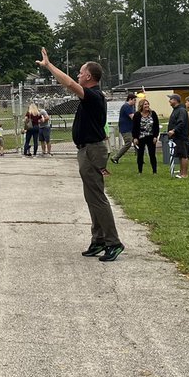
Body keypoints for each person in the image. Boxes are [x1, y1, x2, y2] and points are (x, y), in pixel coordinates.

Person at [37, 49, 124, 261]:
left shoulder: (93, 95)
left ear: (88, 76)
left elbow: (68, 83)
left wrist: (49, 66)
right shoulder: (91, 97)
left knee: (97, 197)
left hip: (92, 150)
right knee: (91, 197)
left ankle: (113, 242)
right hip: (87, 150)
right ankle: (99, 240)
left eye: (81, 72)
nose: (77, 74)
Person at [164, 93, 189, 179]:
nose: (169, 101)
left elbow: (181, 122)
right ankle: (181, 172)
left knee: (184, 155)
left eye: (171, 99)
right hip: (177, 137)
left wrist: (174, 130)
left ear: (175, 100)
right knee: (180, 154)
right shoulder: (176, 110)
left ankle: (184, 174)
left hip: (181, 136)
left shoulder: (181, 110)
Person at [133, 98, 160, 174]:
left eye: (148, 104)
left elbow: (156, 126)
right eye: (145, 104)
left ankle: (154, 171)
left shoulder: (153, 113)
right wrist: (135, 137)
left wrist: (155, 136)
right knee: (140, 154)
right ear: (141, 106)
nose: (147, 105)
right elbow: (134, 127)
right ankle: (140, 171)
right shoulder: (137, 115)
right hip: (140, 137)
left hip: (151, 136)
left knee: (152, 154)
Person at [112, 93, 138, 163]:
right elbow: (133, 117)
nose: (135, 102)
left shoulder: (131, 107)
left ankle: (140, 158)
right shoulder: (126, 106)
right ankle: (115, 157)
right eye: (134, 100)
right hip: (126, 129)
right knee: (128, 143)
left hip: (131, 128)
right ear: (130, 99)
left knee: (138, 142)